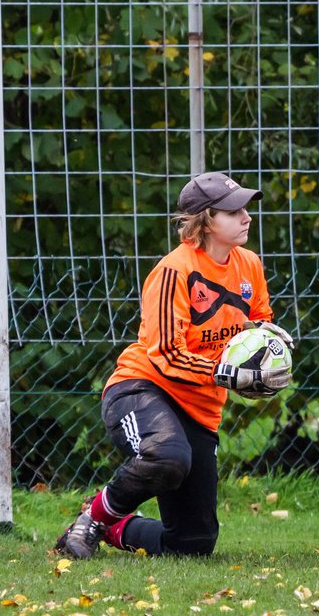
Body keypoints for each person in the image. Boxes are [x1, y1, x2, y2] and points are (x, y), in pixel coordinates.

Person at [55, 172, 293, 559]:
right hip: (141, 388)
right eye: (233, 211)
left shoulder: (249, 264)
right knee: (167, 456)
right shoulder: (174, 270)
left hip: (199, 408)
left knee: (193, 544)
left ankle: (114, 526)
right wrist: (223, 372)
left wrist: (267, 350)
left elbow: (256, 322)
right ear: (206, 219)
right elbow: (165, 353)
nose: (246, 217)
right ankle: (91, 520)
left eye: (246, 208)